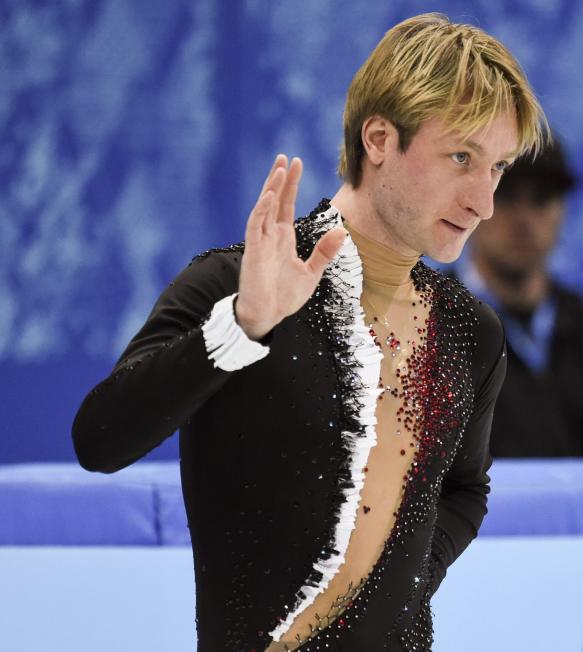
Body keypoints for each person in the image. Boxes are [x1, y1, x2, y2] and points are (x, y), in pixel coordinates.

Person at [72, 13, 546, 651]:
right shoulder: (235, 285)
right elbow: (99, 440)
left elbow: (465, 489)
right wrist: (242, 328)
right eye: (461, 157)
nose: (483, 202)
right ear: (379, 139)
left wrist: (394, 596)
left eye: (497, 168)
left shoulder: (470, 334)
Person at [458, 138, 583, 457]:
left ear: (561, 211)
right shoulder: (418, 338)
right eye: (504, 195)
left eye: (541, 198)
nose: (524, 218)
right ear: (467, 204)